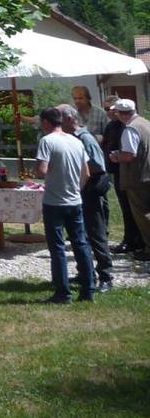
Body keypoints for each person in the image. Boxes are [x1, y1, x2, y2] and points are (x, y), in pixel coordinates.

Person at [36, 106, 94, 303]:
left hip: (54, 201)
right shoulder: (75, 141)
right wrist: (77, 189)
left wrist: (45, 171)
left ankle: (63, 292)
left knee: (58, 248)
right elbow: (86, 172)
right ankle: (88, 289)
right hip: (75, 199)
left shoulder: (47, 141)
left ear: (45, 122)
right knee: (81, 244)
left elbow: (42, 170)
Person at [59, 104, 113, 292]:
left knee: (96, 234)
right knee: (79, 234)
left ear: (69, 119)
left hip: (91, 191)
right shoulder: (71, 138)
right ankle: (85, 272)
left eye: (59, 119)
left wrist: (79, 175)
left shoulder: (85, 138)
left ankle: (106, 276)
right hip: (79, 192)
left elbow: (98, 166)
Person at [106, 98, 150, 261]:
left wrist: (117, 156)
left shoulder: (130, 129)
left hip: (138, 177)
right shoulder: (145, 123)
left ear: (120, 113)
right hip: (147, 173)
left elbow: (129, 155)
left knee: (143, 214)